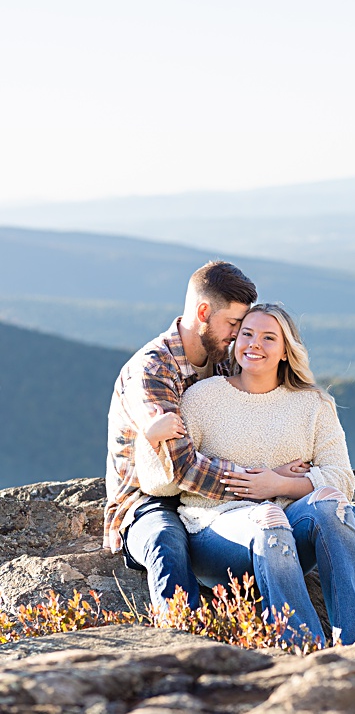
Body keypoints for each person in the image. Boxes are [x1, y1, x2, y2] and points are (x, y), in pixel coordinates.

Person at [137, 302, 355, 646]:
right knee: (270, 515)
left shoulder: (313, 404)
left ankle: (354, 644)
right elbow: (161, 482)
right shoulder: (201, 398)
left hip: (290, 527)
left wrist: (278, 484)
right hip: (215, 532)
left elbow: (342, 479)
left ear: (286, 351)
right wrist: (150, 438)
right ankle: (304, 648)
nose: (254, 344)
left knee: (333, 505)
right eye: (247, 334)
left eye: (268, 337)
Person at [104, 260, 259, 611]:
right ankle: (183, 644)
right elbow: (182, 467)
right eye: (233, 323)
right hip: (149, 499)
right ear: (203, 311)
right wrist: (258, 483)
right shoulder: (153, 369)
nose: (237, 334)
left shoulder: (225, 361)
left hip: (208, 499)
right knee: (166, 541)